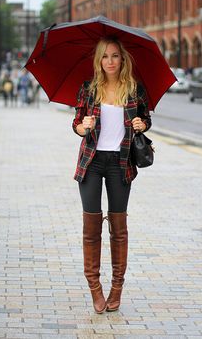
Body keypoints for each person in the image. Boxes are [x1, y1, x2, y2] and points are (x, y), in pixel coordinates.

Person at [72, 37, 152, 314]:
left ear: (122, 59)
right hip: (91, 162)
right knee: (91, 229)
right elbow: (77, 125)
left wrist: (141, 123)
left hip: (120, 163)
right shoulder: (88, 89)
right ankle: (95, 288)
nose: (110, 61)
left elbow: (145, 119)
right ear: (98, 60)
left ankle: (117, 287)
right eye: (105, 56)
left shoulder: (134, 90)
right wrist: (83, 126)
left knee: (119, 230)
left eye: (115, 56)